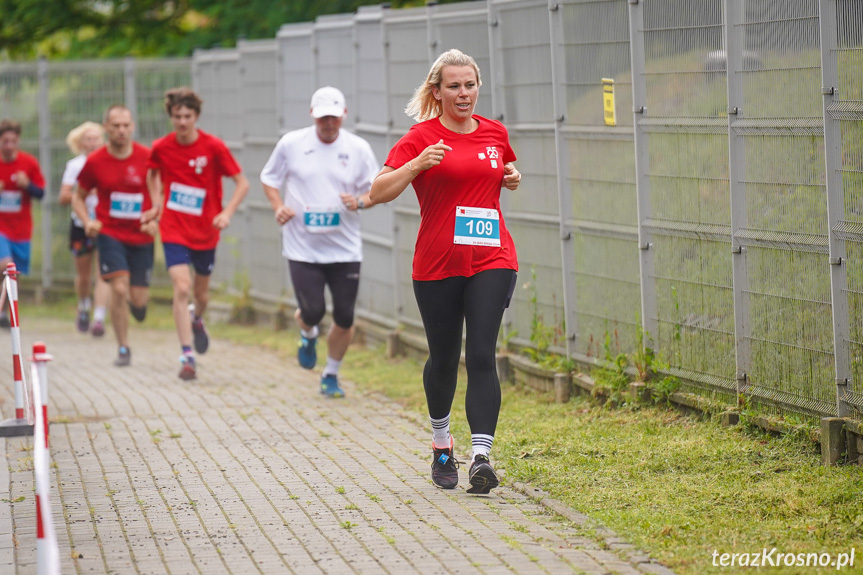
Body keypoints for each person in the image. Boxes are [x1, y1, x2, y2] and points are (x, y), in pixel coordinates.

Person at [369, 49, 522, 494]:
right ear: (436, 91)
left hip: (492, 258)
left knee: (481, 354)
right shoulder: (421, 137)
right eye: (453, 86)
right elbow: (378, 191)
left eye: (469, 85)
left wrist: (511, 176)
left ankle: (480, 457)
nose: (463, 93)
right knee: (443, 359)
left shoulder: (494, 132)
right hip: (437, 264)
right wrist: (416, 165)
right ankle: (441, 444)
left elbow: (501, 166)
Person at [260, 86, 379, 398]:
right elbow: (269, 179)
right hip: (303, 247)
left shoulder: (358, 148)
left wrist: (359, 202)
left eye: (334, 118)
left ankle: (331, 374)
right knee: (312, 311)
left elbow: (376, 189)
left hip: (345, 248)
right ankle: (308, 331)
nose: (329, 123)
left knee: (344, 316)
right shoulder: (291, 144)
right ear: (313, 115)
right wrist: (278, 207)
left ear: (344, 115)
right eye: (324, 117)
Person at [146, 87, 249, 381]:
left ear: (196, 117)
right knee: (181, 287)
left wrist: (226, 213)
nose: (181, 122)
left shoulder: (213, 146)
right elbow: (152, 173)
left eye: (187, 116)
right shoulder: (161, 147)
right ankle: (187, 355)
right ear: (171, 117)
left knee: (201, 294)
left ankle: (197, 317)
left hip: (206, 230)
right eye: (177, 116)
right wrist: (156, 204)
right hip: (173, 227)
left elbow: (242, 183)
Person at [72, 105, 158, 367]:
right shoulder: (96, 161)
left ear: (132, 127)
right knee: (118, 287)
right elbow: (78, 196)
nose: (121, 130)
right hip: (110, 233)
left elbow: (159, 192)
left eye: (126, 125)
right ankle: (123, 347)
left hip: (141, 235)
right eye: (115, 125)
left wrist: (154, 218)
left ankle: (139, 307)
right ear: (106, 127)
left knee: (138, 298)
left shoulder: (147, 157)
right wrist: (88, 222)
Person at [58, 121, 112, 337]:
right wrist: (84, 194)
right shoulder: (75, 165)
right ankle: (83, 306)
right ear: (80, 143)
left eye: (96, 138)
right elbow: (64, 197)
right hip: (81, 225)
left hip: (105, 224)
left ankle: (99, 318)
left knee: (104, 273)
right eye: (88, 139)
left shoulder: (109, 162)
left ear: (103, 140)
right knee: (84, 274)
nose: (92, 143)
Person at [0, 119, 45, 328]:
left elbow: (41, 193)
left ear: (18, 141)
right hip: (1, 228)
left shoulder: (29, 163)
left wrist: (28, 185)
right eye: (4, 141)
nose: (9, 146)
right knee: (5, 265)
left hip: (21, 229)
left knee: (13, 273)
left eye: (12, 141)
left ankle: (4, 313)